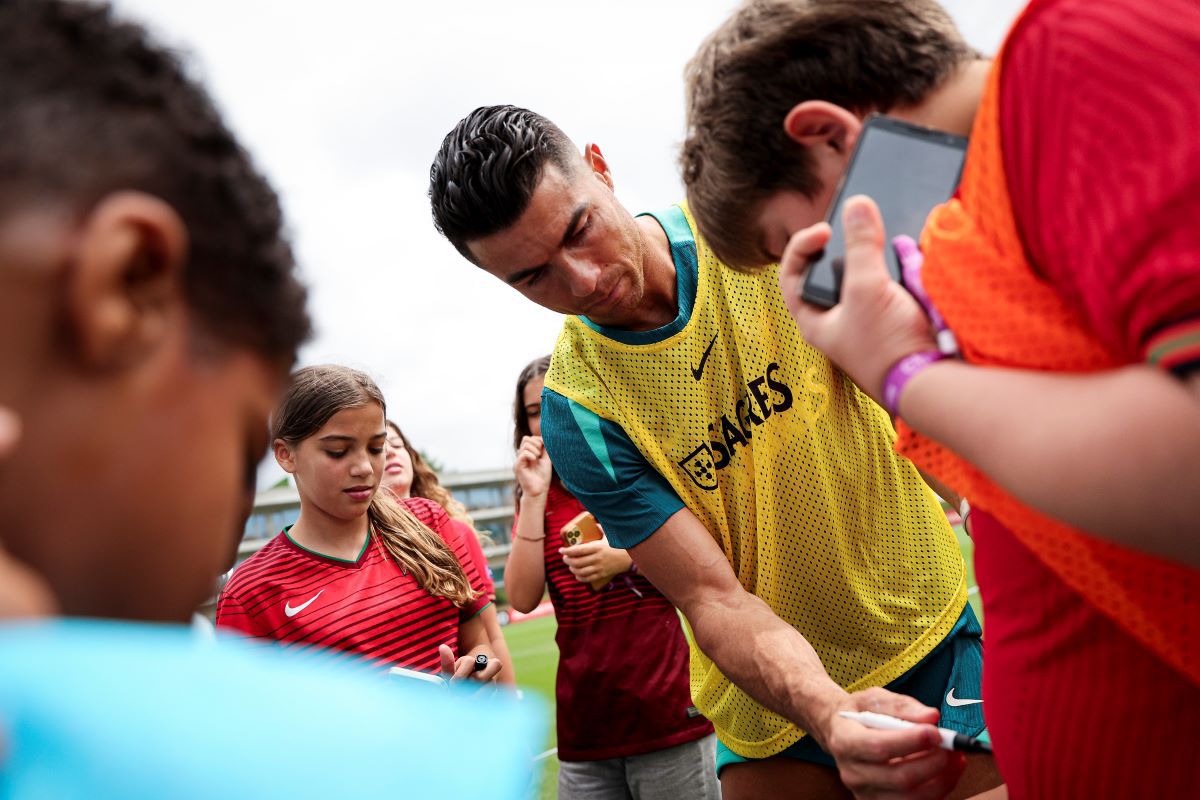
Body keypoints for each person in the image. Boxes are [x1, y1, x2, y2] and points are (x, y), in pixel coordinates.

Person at [678, 0, 1200, 796]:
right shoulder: (982, 217)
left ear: (826, 135)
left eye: (806, 250)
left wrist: (904, 374)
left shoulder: (1076, 57)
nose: (831, 285)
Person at [429, 106, 998, 799]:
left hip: (925, 629)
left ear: (601, 168)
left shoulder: (745, 227)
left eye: (579, 229)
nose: (580, 282)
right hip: (772, 713)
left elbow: (911, 367)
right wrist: (828, 710)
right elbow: (711, 596)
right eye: (532, 277)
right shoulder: (578, 411)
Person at [507, 356, 718, 800]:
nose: (545, 418)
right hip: (584, 726)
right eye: (532, 411)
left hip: (665, 709)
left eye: (552, 402)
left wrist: (628, 558)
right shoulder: (536, 497)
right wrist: (532, 495)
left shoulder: (632, 466)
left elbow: (705, 558)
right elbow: (523, 599)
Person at [217, 366, 503, 683]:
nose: (365, 467)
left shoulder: (430, 523)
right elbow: (246, 721)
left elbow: (481, 645)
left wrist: (477, 666)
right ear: (286, 455)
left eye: (376, 447)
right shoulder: (251, 593)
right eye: (338, 452)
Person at [382, 418, 517, 685]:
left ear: (412, 458)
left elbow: (490, 634)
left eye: (397, 444)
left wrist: (508, 700)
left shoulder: (454, 530)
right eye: (378, 447)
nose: (389, 451)